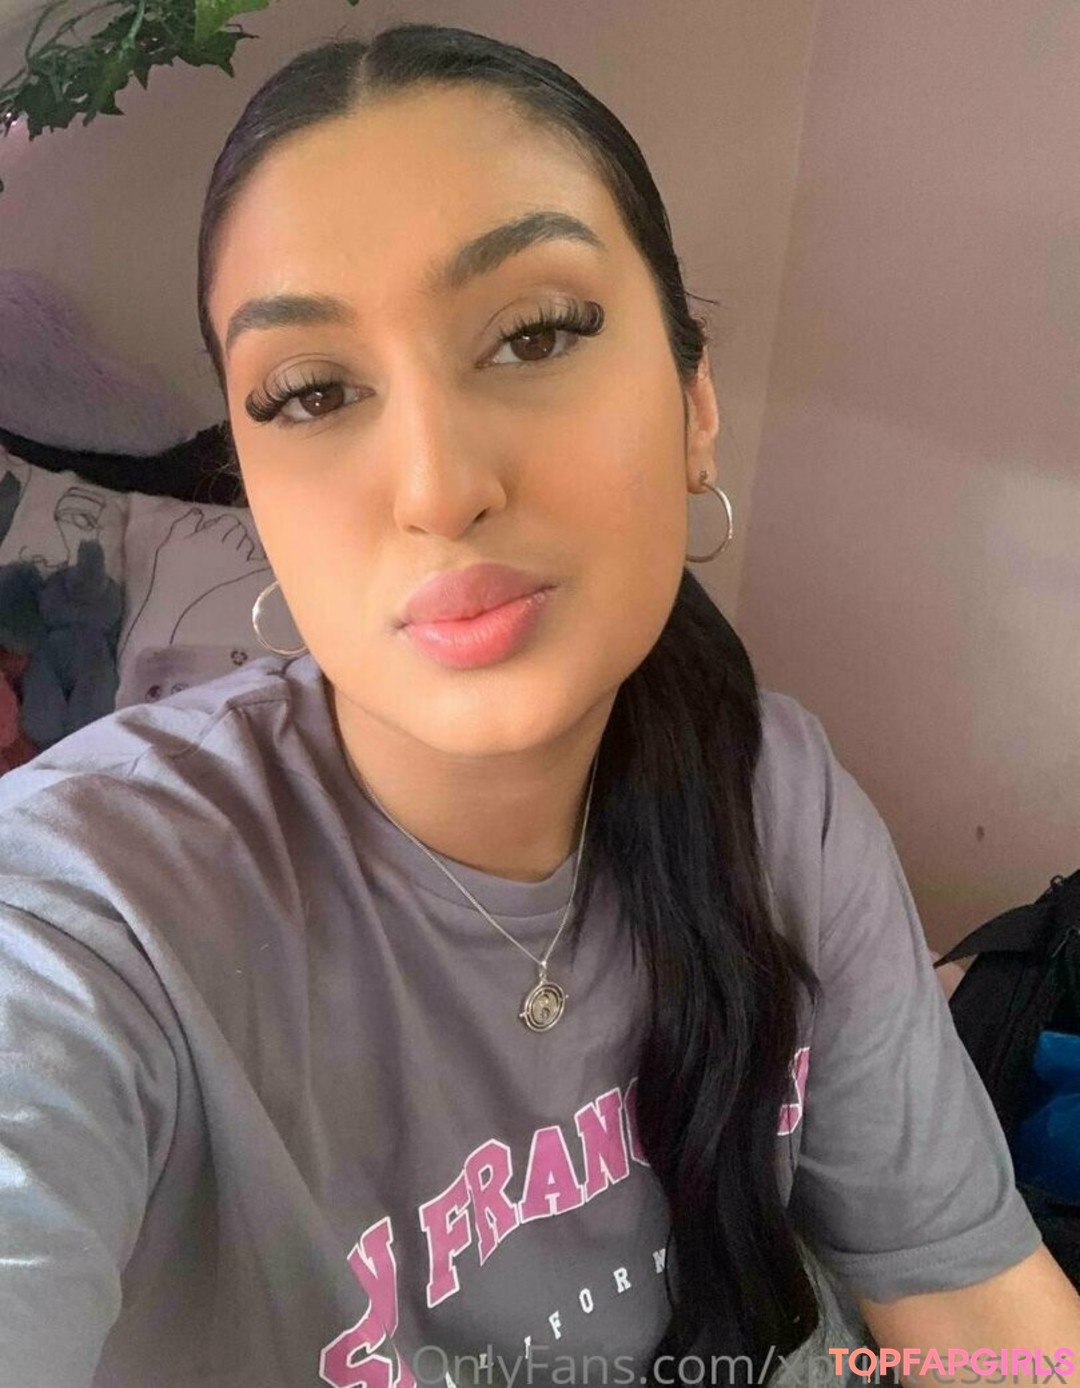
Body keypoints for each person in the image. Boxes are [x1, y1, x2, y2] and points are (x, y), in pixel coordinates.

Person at [0, 21, 1077, 1388]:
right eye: (312, 394)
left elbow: (976, 1309)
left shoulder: (779, 804)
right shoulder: (92, 918)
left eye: (533, 335)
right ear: (255, 500)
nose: (439, 486)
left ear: (694, 404)